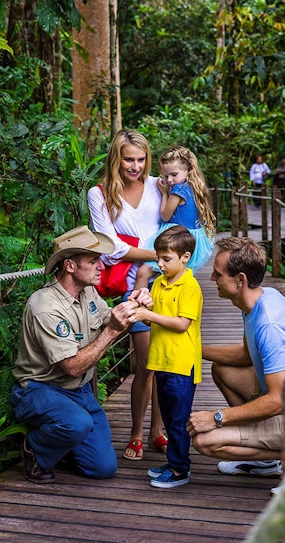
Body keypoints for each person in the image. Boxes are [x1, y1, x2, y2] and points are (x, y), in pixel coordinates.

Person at [10, 225, 153, 483]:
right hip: (41, 389)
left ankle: (63, 442)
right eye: (93, 261)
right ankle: (35, 449)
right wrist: (111, 331)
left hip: (81, 392)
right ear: (70, 266)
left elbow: (111, 318)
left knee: (103, 468)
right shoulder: (45, 306)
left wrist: (135, 305)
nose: (101, 267)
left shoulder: (87, 291)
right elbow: (73, 367)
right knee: (76, 424)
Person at [186, 236, 285, 477]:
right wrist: (194, 349)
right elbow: (246, 354)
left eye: (218, 275)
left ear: (241, 280)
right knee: (222, 369)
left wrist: (217, 418)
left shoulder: (269, 323)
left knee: (205, 440)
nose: (211, 279)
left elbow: (277, 400)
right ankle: (266, 457)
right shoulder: (259, 298)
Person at [87, 130, 167, 461]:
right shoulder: (100, 193)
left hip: (168, 282)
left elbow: (177, 226)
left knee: (167, 362)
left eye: (140, 159)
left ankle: (157, 431)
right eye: (128, 159)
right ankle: (136, 431)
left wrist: (158, 259)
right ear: (116, 158)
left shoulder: (158, 186)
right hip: (131, 288)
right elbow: (110, 248)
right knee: (146, 363)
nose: (135, 166)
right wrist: (160, 254)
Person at [127, 226, 203, 488]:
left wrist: (148, 315)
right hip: (161, 360)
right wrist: (144, 304)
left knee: (179, 419)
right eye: (158, 258)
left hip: (181, 364)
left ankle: (181, 470)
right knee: (170, 417)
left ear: (185, 257)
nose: (159, 264)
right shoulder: (159, 282)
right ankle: (173, 463)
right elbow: (155, 321)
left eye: (166, 259)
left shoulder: (190, 286)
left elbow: (182, 324)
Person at [134, 146, 216, 289]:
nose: (170, 180)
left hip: (176, 238)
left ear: (188, 170)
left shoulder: (178, 190)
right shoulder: (193, 186)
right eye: (165, 176)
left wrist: (165, 193)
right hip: (192, 238)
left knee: (143, 273)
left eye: (174, 174)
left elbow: (165, 215)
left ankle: (135, 308)